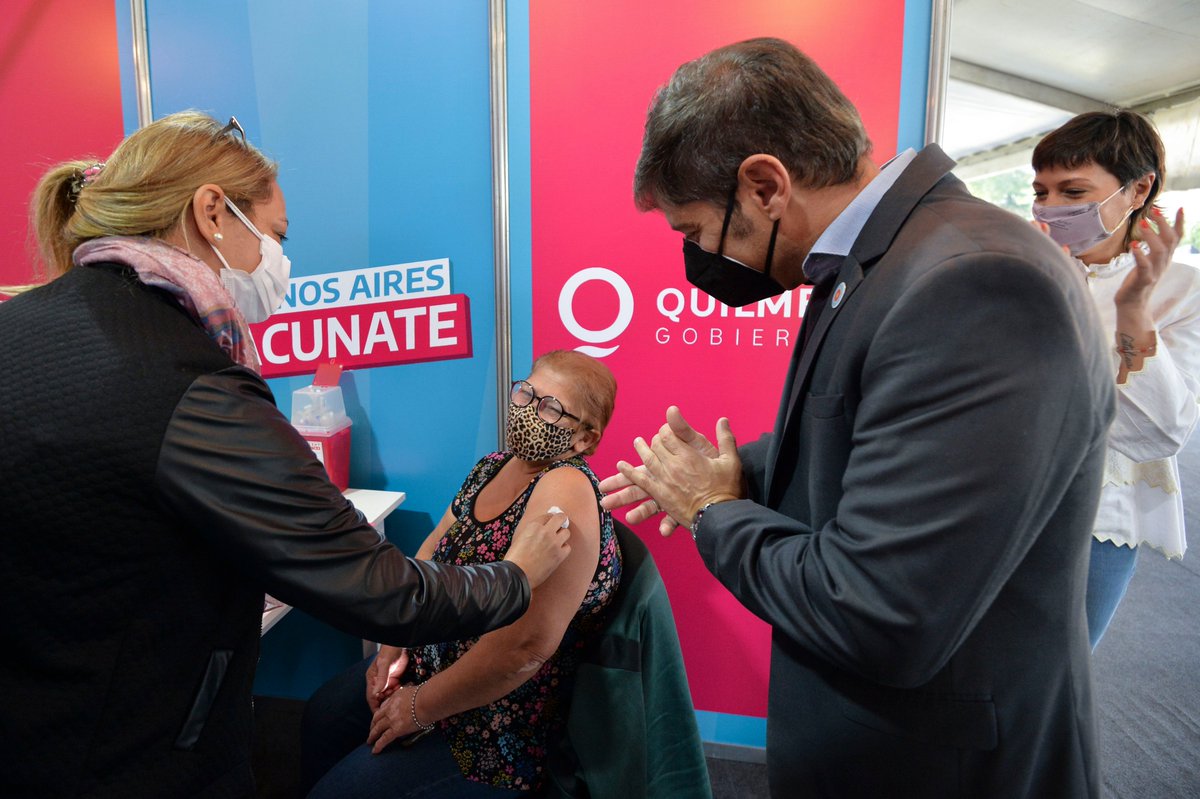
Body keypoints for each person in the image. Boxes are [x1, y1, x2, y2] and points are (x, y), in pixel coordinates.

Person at [0, 111, 571, 798]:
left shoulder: (22, 327)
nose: (280, 262)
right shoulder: (187, 380)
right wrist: (517, 574)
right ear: (213, 211)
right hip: (130, 749)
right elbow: (382, 589)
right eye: (277, 235)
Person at [600, 38, 1114, 797]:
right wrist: (738, 468)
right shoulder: (890, 260)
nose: (701, 255)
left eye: (696, 230)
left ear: (766, 185)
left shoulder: (973, 282)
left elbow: (879, 615)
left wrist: (713, 511)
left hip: (941, 768)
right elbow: (868, 438)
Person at [302, 350, 622, 798]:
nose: (529, 411)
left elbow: (524, 649)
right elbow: (435, 548)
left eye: (551, 408)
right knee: (324, 715)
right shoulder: (494, 465)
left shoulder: (565, 487)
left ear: (585, 438)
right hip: (432, 659)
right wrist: (395, 641)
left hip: (497, 716)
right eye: (526, 393)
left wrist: (418, 706)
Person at [1031, 110, 1196, 649]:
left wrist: (1133, 309)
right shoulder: (1022, 268)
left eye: (1073, 191)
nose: (1051, 207)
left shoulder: (1182, 292)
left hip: (1097, 518)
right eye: (1041, 192)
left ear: (1138, 189)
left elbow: (1159, 432)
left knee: (1058, 669)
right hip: (997, 499)